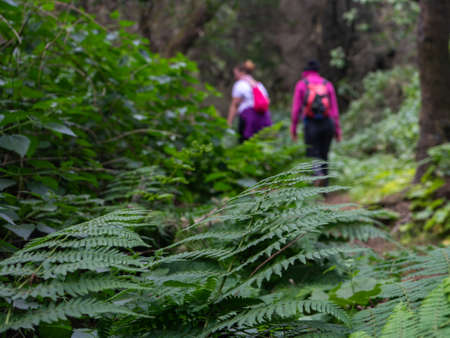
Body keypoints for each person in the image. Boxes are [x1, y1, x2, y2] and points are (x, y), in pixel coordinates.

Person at [290, 60, 342, 185]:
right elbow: (334, 110)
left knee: (312, 154)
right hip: (327, 123)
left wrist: (293, 128)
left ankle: (316, 176)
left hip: (311, 124)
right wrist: (337, 130)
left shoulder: (302, 84)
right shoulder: (327, 84)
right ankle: (326, 189)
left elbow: (296, 109)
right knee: (325, 154)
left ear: (305, 72)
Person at [227, 60, 272, 143]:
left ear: (242, 72)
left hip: (248, 119)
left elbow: (235, 105)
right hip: (263, 118)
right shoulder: (259, 85)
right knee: (261, 144)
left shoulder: (240, 85)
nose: (235, 75)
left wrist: (229, 123)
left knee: (244, 145)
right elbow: (267, 101)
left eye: (235, 73)